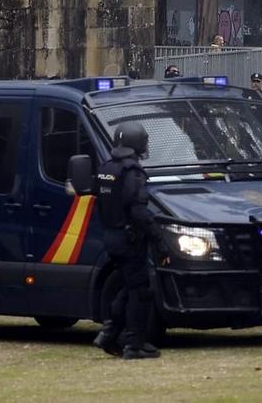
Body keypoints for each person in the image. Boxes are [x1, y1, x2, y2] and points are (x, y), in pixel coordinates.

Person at [93, 121, 156, 359]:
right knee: (139, 291)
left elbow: (99, 201)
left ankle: (109, 334)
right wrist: (157, 236)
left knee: (128, 289)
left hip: (111, 236)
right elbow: (138, 210)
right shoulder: (132, 171)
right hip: (130, 239)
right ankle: (134, 345)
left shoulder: (106, 168)